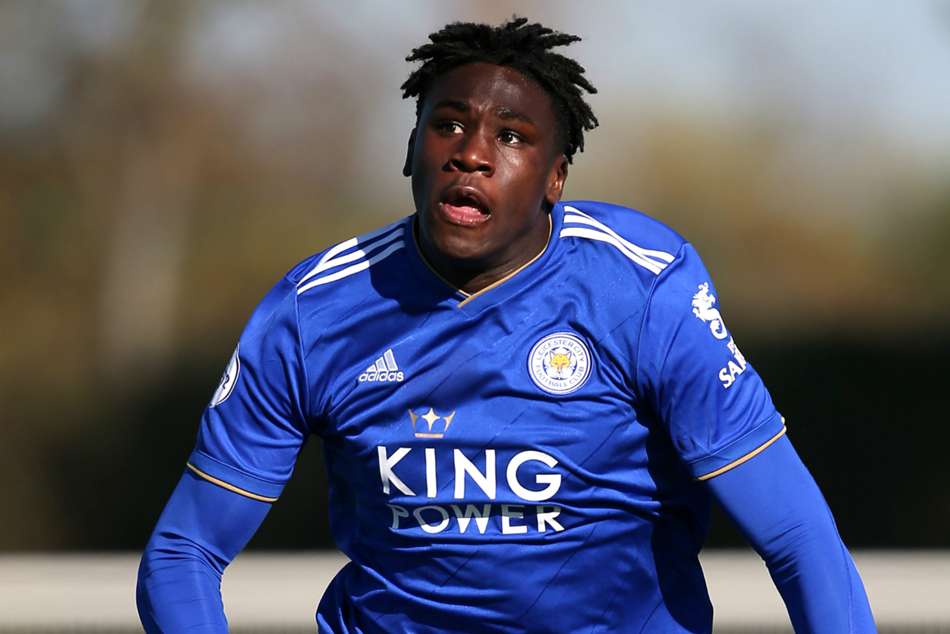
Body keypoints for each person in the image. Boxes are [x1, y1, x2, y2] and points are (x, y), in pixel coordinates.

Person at [137, 17, 876, 633]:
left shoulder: (642, 290)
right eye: (448, 126)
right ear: (411, 150)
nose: (472, 154)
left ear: (556, 178)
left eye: (512, 136)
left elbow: (798, 538)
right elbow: (183, 553)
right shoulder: (313, 311)